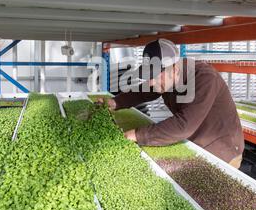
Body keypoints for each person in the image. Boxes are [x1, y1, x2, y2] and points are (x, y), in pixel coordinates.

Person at [99, 39, 244, 169]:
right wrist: (115, 102)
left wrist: (137, 135)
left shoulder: (205, 78)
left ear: (174, 69)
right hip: (196, 144)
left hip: (221, 150)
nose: (151, 82)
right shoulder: (167, 79)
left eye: (154, 76)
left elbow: (183, 126)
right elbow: (143, 92)